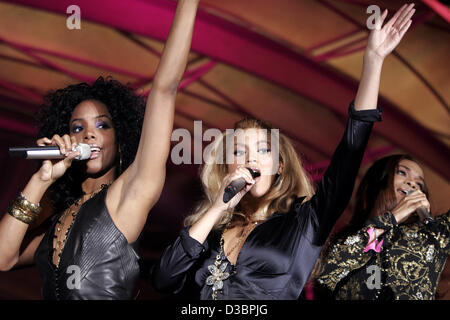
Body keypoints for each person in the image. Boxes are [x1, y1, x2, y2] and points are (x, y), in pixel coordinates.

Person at [151, 3, 416, 301]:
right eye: (239, 151)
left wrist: (373, 61)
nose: (251, 158)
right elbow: (164, 278)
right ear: (227, 166)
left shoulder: (305, 222)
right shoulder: (210, 229)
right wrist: (216, 209)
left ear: (279, 166)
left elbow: (350, 153)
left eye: (263, 150)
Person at [0, 0, 200, 300]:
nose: (89, 133)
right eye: (77, 127)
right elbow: (4, 259)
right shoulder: (60, 222)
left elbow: (165, 88)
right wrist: (41, 179)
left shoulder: (129, 194)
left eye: (102, 126)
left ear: (120, 140)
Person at [312, 154, 449, 300]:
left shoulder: (432, 235)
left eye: (419, 184)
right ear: (378, 181)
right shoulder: (346, 240)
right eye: (402, 172)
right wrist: (392, 217)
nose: (413, 184)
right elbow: (325, 274)